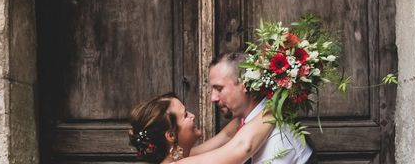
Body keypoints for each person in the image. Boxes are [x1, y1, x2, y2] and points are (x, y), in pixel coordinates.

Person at [206, 52, 316, 163]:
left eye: (219, 88)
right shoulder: (246, 120)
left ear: (244, 84)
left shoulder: (278, 138)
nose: (213, 98)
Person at [129, 92, 273, 163]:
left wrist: (259, 95)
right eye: (185, 115)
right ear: (171, 135)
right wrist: (278, 103)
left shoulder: (183, 156)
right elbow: (243, 147)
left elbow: (227, 135)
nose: (192, 115)